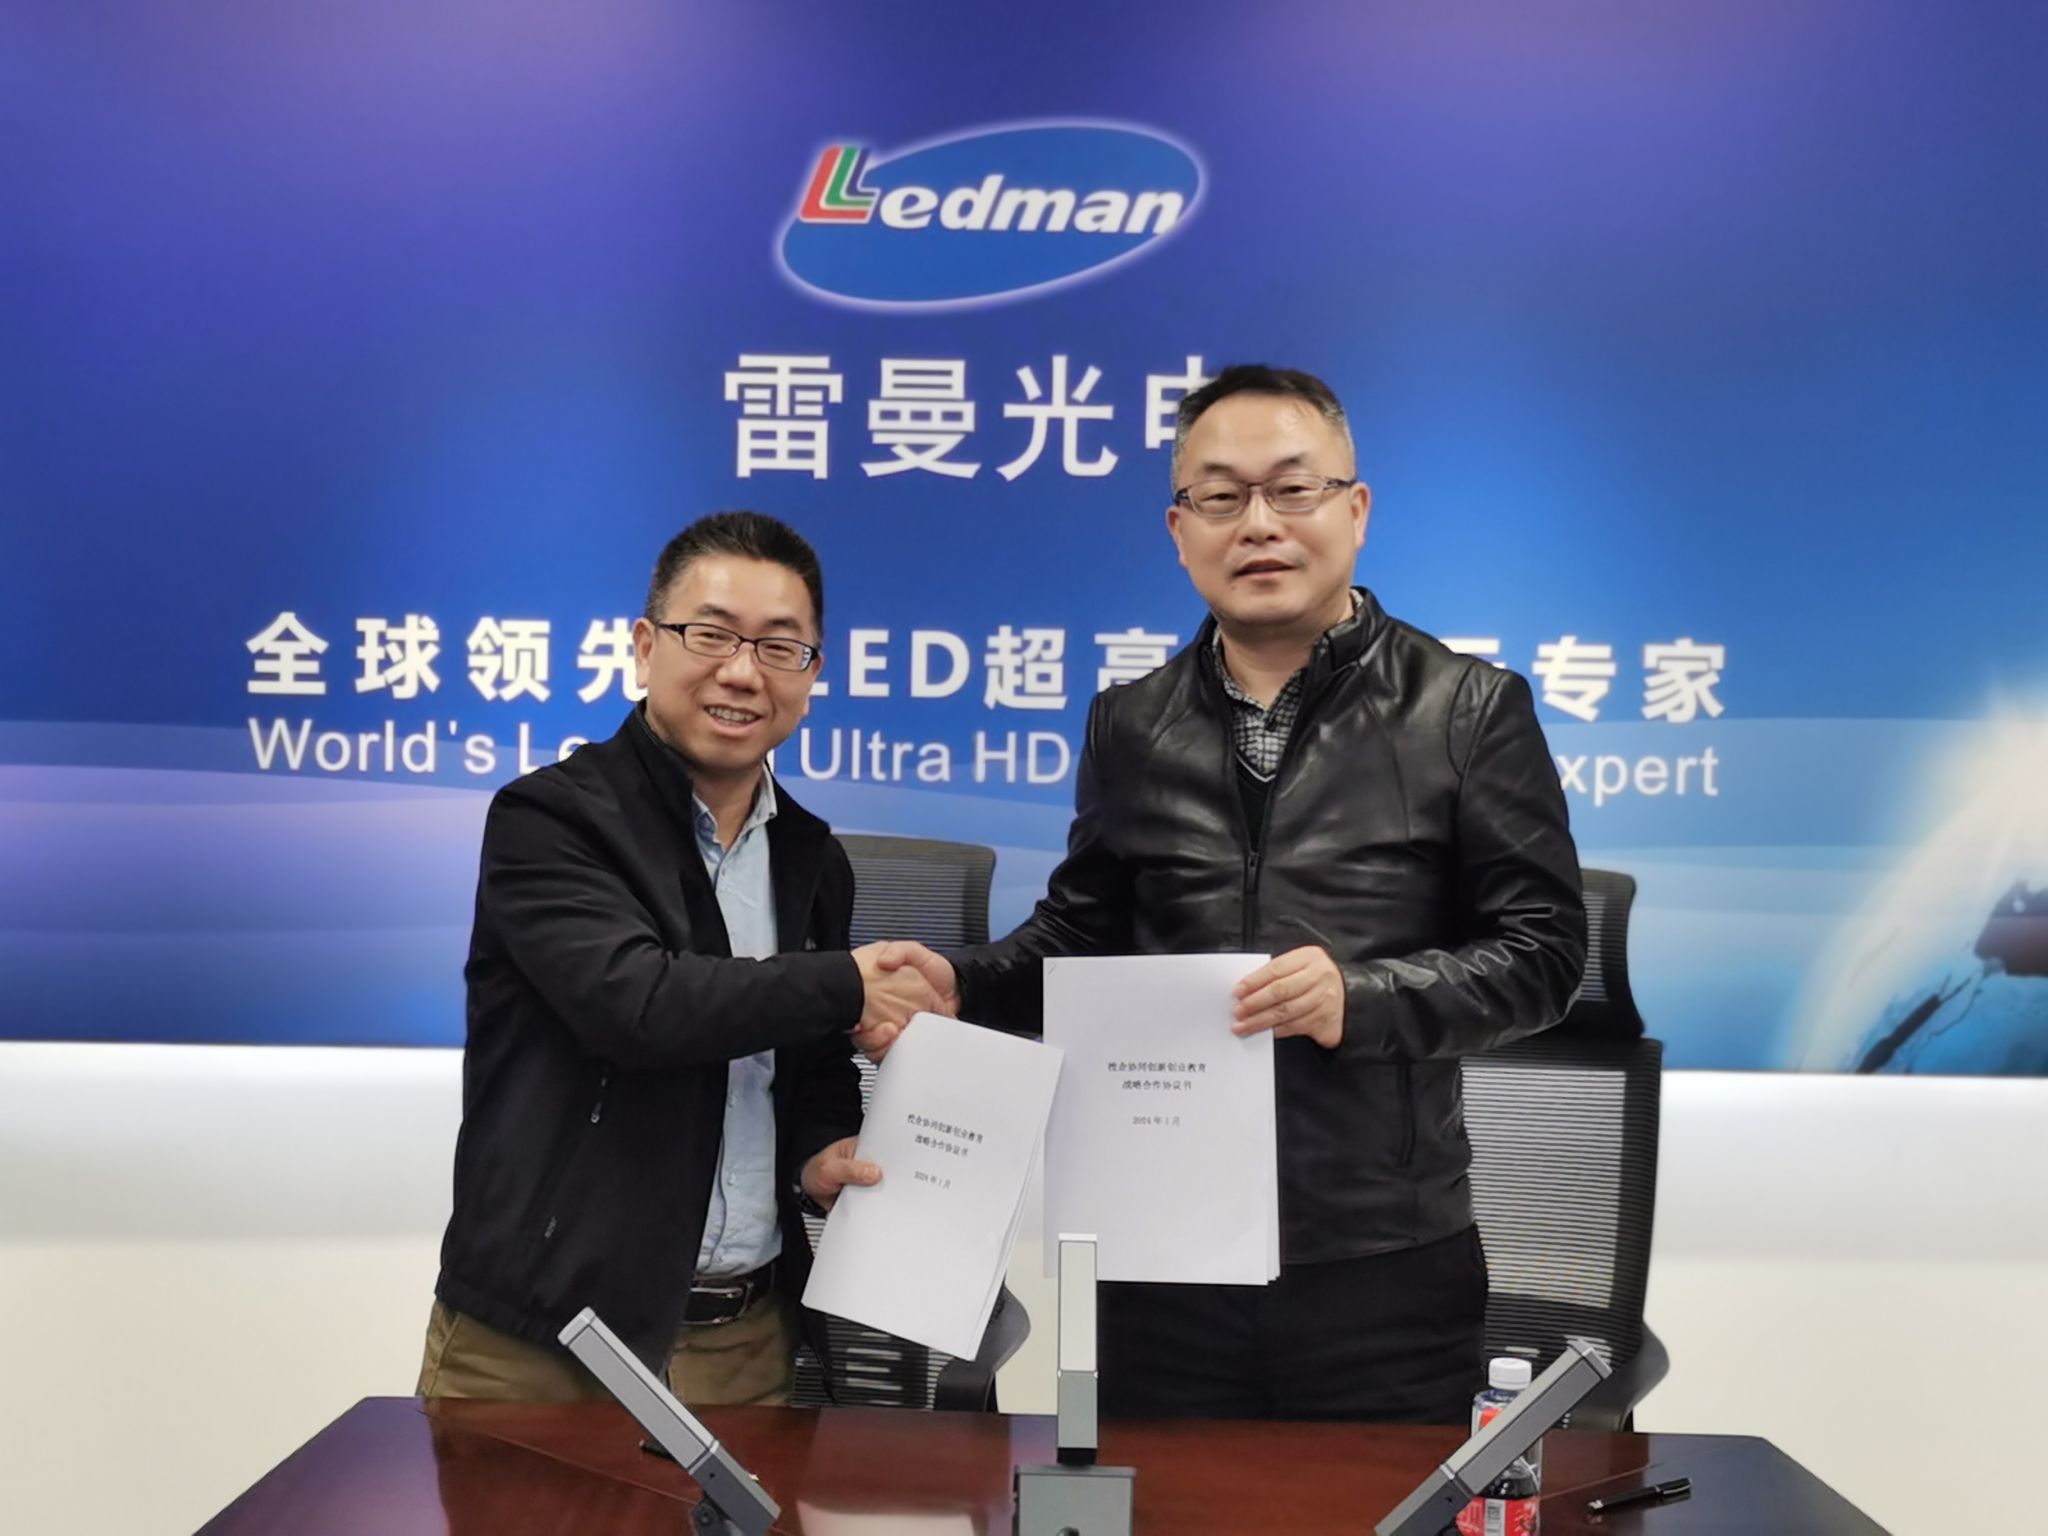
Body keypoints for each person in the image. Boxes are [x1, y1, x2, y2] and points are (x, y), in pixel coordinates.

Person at [882, 365, 1586, 1422]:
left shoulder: (1465, 710)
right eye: (1220, 497)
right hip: (1160, 1252)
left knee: (1378, 1505)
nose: (1258, 524)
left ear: (1356, 511)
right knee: (1153, 1499)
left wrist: (1361, 998)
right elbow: (1080, 938)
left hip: (1379, 1257)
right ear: (1179, 531)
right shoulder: (1131, 724)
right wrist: (965, 985)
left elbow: (1543, 955)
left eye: (1292, 489)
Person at [417, 510, 937, 1405]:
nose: (742, 672)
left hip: (744, 1344)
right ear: (645, 646)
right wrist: (849, 983)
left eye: (780, 647)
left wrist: (817, 1153)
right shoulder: (551, 820)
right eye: (712, 634)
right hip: (542, 1347)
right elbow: (639, 1006)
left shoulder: (812, 857)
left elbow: (807, 1064)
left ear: (813, 675)